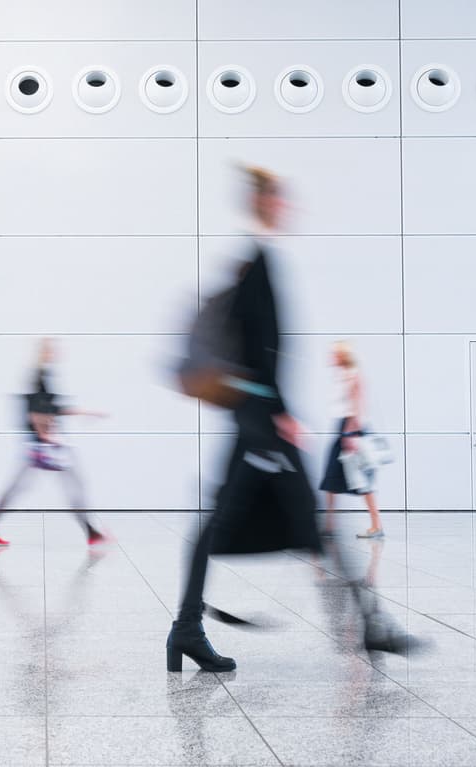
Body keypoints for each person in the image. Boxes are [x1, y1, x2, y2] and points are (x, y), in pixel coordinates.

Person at [167, 168, 321, 673]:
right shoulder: (258, 261)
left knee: (226, 521)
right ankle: (369, 626)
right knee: (304, 516)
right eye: (281, 199)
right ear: (266, 203)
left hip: (255, 415)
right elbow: (260, 351)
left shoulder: (257, 259)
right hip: (260, 417)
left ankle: (187, 628)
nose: (288, 207)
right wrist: (278, 411)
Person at [0, 337, 108, 546]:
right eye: (51, 350)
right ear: (43, 353)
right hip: (43, 444)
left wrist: (84, 412)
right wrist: (44, 435)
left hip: (43, 442)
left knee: (23, 486)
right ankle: (91, 532)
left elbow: (51, 408)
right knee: (71, 484)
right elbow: (34, 410)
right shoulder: (38, 376)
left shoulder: (43, 375)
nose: (55, 353)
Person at [318, 341, 385, 538]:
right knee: (331, 479)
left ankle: (377, 526)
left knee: (361, 480)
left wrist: (350, 433)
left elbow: (358, 408)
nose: (331, 357)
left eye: (334, 354)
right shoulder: (340, 376)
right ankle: (330, 526)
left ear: (343, 356)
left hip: (351, 429)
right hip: (342, 429)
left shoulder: (354, 375)